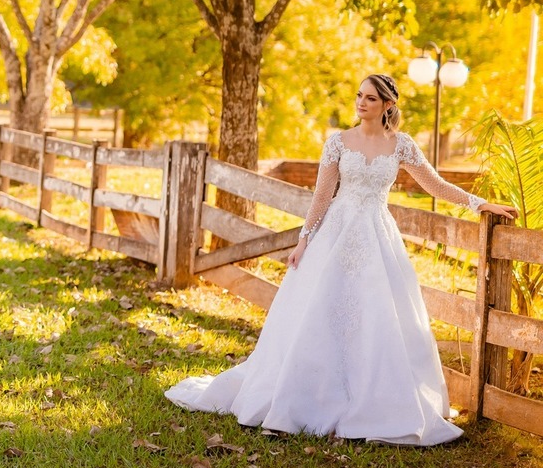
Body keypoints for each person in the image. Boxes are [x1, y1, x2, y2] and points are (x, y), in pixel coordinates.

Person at [165, 73, 518, 445]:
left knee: (375, 314)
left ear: (387, 105)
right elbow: (322, 195)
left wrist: (480, 203)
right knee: (322, 311)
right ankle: (300, 399)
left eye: (370, 98)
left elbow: (435, 185)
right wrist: (304, 241)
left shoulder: (402, 145)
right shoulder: (337, 142)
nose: (361, 103)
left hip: (377, 237)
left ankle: (372, 403)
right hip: (336, 233)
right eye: (359, 96)